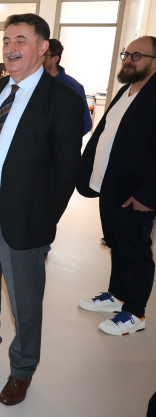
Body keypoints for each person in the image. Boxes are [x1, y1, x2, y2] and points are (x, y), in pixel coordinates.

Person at [0, 13, 82, 406]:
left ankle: (22, 370)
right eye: (6, 40)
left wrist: (44, 221)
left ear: (43, 47)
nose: (10, 48)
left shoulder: (64, 101)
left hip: (23, 218)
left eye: (21, 40)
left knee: (25, 302)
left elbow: (66, 173)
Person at [77, 36, 156, 336]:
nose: (128, 60)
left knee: (136, 252)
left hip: (135, 194)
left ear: (154, 63)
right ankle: (117, 294)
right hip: (109, 186)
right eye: (127, 54)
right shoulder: (125, 91)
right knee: (116, 245)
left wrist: (148, 195)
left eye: (137, 55)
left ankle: (135, 313)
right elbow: (105, 133)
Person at [42, 39, 93, 135]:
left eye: (44, 54)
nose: (39, 57)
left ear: (55, 59)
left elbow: (86, 124)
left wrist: (64, 141)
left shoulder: (73, 87)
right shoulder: (34, 83)